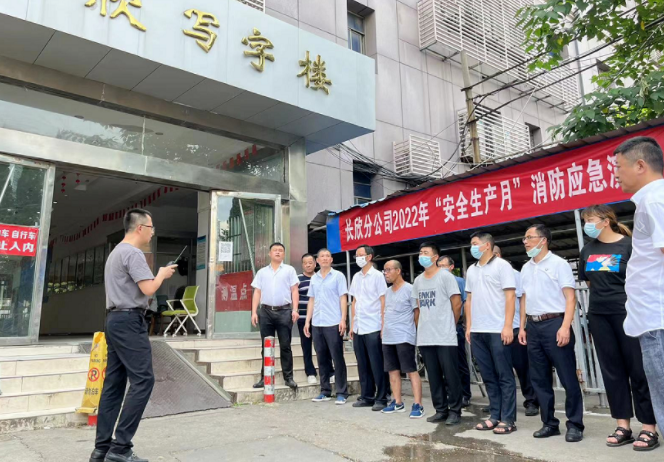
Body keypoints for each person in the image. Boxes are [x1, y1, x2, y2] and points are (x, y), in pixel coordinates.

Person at [90, 209, 176, 462]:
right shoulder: (133, 253)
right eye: (151, 227)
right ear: (140, 228)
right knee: (143, 381)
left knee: (114, 384)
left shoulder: (116, 252)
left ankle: (102, 449)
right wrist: (162, 274)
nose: (152, 233)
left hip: (114, 320)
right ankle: (120, 448)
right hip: (129, 321)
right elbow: (148, 288)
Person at [579, 204, 657, 450]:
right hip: (599, 315)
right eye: (585, 220)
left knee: (638, 370)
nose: (587, 225)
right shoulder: (587, 250)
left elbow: (641, 280)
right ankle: (623, 425)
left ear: (606, 221)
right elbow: (590, 282)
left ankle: (649, 427)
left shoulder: (629, 246)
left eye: (591, 219)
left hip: (628, 313)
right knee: (612, 370)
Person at [615, 136, 664, 451]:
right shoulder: (652, 200)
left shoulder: (655, 200)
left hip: (659, 320)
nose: (615, 173)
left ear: (641, 165)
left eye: (619, 166)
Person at [519, 224, 584, 443]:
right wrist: (522, 326)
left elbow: (570, 297)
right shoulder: (525, 267)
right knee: (539, 379)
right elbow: (524, 298)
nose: (526, 242)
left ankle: (575, 424)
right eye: (525, 238)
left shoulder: (559, 264)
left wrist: (565, 326)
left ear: (543, 240)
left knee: (567, 377)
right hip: (533, 326)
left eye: (529, 237)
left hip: (555, 323)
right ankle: (549, 423)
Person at [465, 231, 517, 435]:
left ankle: (508, 419)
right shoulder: (471, 269)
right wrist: (469, 327)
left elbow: (510, 296)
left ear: (487, 245)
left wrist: (507, 326)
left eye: (475, 243)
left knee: (504, 375)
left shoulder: (502, 266)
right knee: (488, 375)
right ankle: (494, 415)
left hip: (498, 329)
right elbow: (469, 300)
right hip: (478, 330)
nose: (472, 247)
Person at [414, 244, 463, 424]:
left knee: (451, 375)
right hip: (426, 336)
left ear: (435, 257)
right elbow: (418, 308)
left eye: (426, 253)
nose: (422, 255)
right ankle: (441, 409)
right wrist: (420, 329)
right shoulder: (418, 280)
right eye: (421, 253)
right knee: (433, 377)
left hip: (445, 336)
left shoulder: (445, 276)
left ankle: (455, 411)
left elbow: (457, 303)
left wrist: (451, 324)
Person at [492, 245, 539, 417]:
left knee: (522, 366)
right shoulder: (483, 275)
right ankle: (499, 403)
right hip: (494, 329)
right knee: (498, 369)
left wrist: (521, 326)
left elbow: (521, 300)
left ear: (498, 254)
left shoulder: (514, 275)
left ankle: (532, 400)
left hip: (515, 327)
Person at [251, 243, 299, 391]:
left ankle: (288, 378)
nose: (278, 252)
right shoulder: (262, 272)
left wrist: (295, 309)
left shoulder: (289, 270)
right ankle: (264, 377)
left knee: (285, 346)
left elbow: (294, 290)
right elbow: (257, 292)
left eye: (280, 250)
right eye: (275, 250)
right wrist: (254, 312)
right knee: (265, 346)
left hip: (284, 311)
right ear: (269, 254)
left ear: (284, 254)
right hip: (265, 312)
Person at [303, 249, 349, 404]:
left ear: (331, 259)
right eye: (321, 256)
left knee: (337, 358)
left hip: (333, 322)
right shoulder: (314, 278)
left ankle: (342, 392)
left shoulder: (338, 276)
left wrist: (343, 319)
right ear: (317, 260)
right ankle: (325, 391)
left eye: (327, 256)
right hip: (317, 322)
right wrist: (308, 321)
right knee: (321, 358)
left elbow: (343, 298)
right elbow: (311, 300)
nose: (324, 258)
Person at [381, 259, 425, 418]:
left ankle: (418, 404)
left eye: (388, 270)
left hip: (404, 336)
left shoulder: (409, 289)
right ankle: (397, 402)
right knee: (392, 370)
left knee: (411, 370)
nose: (386, 273)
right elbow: (385, 312)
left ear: (398, 271)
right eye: (384, 271)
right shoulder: (387, 292)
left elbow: (417, 312)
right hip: (388, 336)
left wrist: (412, 329)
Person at [350, 245, 389, 411]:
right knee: (362, 363)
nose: (358, 258)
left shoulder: (378, 276)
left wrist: (383, 324)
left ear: (369, 257)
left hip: (373, 325)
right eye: (356, 255)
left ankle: (382, 397)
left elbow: (383, 300)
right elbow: (354, 301)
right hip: (359, 326)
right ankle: (367, 396)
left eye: (361, 255)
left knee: (377, 363)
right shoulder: (356, 276)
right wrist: (352, 324)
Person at [437, 255, 471, 408]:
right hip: (439, 326)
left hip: (455, 324)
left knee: (459, 361)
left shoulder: (458, 281)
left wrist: (457, 323)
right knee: (444, 363)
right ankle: (449, 393)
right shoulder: (435, 281)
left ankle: (465, 394)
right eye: (439, 266)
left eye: (444, 266)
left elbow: (463, 303)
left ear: (451, 267)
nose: (441, 269)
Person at [298, 254, 318, 385]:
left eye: (310, 262)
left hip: (319, 319)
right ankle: (310, 373)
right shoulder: (297, 279)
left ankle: (329, 372)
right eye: (305, 263)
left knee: (322, 347)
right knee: (306, 346)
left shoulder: (320, 277)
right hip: (303, 318)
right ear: (302, 265)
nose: (308, 265)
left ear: (315, 263)